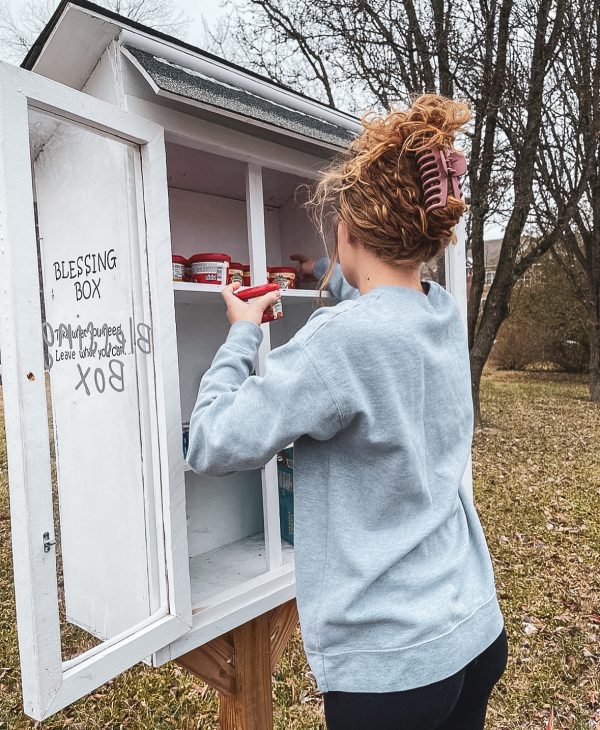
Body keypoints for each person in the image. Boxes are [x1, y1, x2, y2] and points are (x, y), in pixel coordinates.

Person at [186, 94, 508, 730]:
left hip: (391, 668)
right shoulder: (440, 312)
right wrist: (322, 277)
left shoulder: (338, 342)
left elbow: (213, 441)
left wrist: (243, 332)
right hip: (472, 629)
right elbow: (384, 298)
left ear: (351, 232)